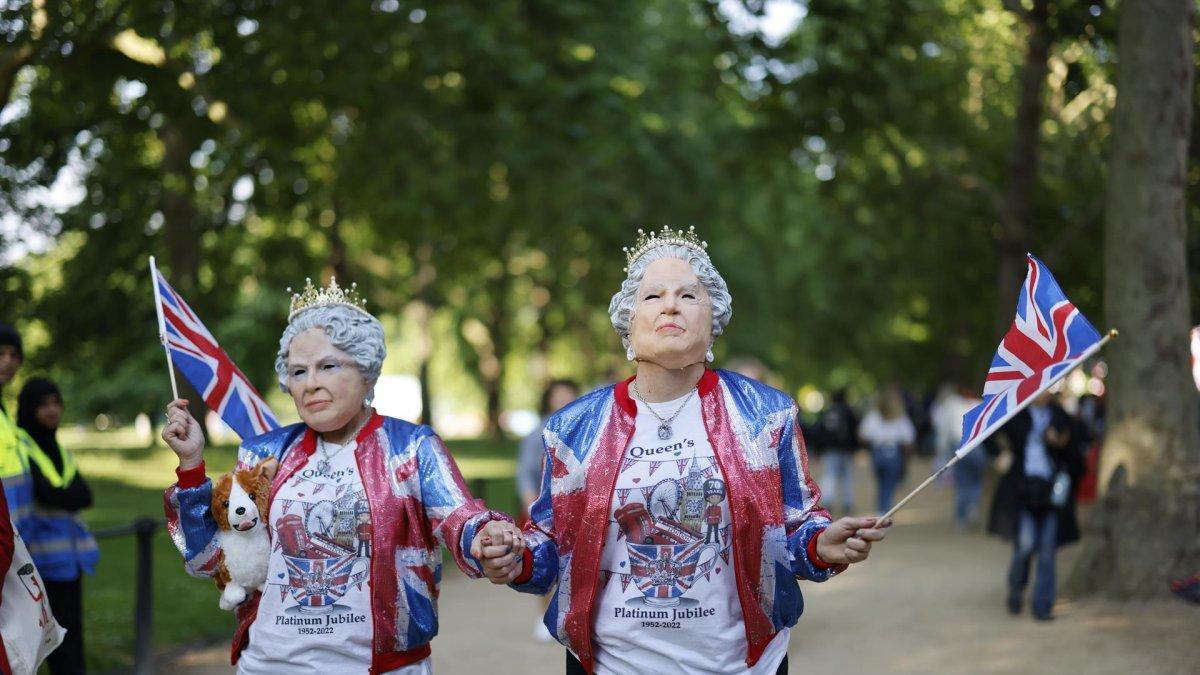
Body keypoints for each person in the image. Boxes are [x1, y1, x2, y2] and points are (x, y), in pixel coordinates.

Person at [475, 227, 890, 674]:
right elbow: (551, 544)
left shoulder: (766, 415)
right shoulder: (573, 428)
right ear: (627, 323)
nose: (671, 305)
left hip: (741, 665)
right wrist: (513, 557)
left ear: (714, 321)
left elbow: (795, 526)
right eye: (653, 296)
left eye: (689, 296)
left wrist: (821, 545)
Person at [162, 278, 521, 673]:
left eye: (328, 366)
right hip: (269, 664)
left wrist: (487, 538)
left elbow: (460, 518)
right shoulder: (262, 453)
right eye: (298, 372)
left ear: (366, 371)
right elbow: (209, 559)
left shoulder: (410, 447)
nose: (311, 383)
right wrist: (192, 466)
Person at [18, 378, 99, 674]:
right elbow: (50, 494)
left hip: (68, 561)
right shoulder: (22, 444)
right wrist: (65, 497)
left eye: (56, 403)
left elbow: (84, 496)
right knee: (50, 641)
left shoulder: (58, 448)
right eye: (43, 404)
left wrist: (62, 497)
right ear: (29, 409)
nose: (52, 411)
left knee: (72, 635)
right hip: (37, 562)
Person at [986, 391, 1084, 621]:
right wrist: (1000, 455)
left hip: (1051, 493)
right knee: (1026, 546)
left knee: (1048, 550)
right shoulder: (1016, 414)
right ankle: (1016, 590)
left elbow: (1077, 450)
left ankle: (1043, 605)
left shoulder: (1060, 416)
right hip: (1022, 491)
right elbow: (987, 434)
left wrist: (1061, 443)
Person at [515, 378, 580, 643]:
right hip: (545, 509)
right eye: (559, 395)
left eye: (568, 394)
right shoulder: (538, 433)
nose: (563, 399)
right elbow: (526, 471)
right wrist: (533, 506)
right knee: (545, 563)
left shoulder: (584, 428)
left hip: (576, 509)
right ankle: (544, 614)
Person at [0, 323, 35, 541]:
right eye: (0, 353)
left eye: (14, 355)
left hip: (13, 536)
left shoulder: (4, 410)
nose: (8, 361)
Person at [858, 386, 916, 513]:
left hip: (877, 452)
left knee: (881, 484)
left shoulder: (873, 416)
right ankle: (884, 511)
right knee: (889, 485)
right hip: (893, 453)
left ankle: (881, 509)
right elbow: (909, 438)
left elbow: (863, 434)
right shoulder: (900, 417)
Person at [813, 389, 858, 516]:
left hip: (830, 450)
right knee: (847, 477)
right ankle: (847, 502)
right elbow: (855, 431)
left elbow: (818, 431)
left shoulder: (826, 412)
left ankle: (828, 500)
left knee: (829, 475)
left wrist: (818, 449)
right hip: (846, 450)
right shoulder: (848, 411)